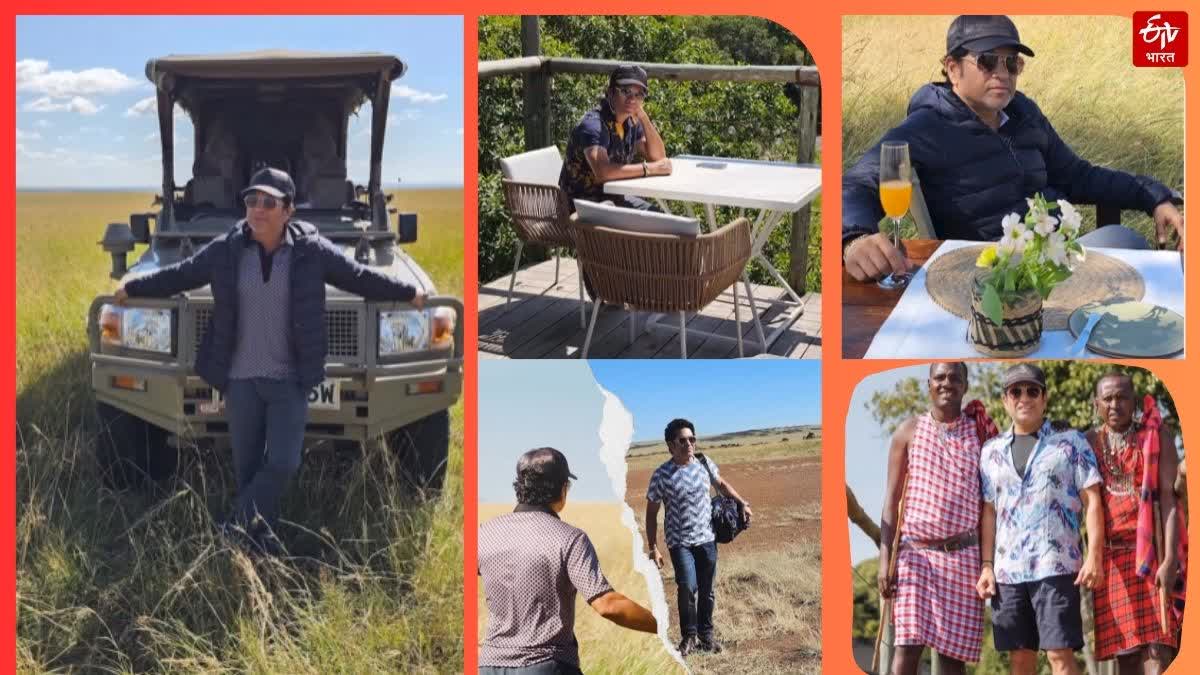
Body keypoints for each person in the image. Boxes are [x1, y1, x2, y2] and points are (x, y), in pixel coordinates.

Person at [115, 167, 425, 554]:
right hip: (241, 380)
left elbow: (358, 277)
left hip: (288, 380)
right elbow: (181, 274)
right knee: (247, 471)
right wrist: (133, 286)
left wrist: (407, 291)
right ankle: (261, 545)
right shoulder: (227, 249)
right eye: (251, 201)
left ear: (288, 210)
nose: (257, 209)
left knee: (282, 462)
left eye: (268, 202)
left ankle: (230, 531)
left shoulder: (311, 251)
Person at [842, 15, 1184, 282]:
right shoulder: (927, 128)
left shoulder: (1024, 114)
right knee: (1131, 258)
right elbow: (857, 184)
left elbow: (1078, 175)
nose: (1003, 73)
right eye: (989, 61)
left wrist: (1154, 196)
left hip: (1053, 259)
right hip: (992, 278)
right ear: (953, 68)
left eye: (1012, 63)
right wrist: (854, 238)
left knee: (1129, 245)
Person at [478, 448, 657, 674]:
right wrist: (662, 625)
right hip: (546, 666)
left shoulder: (484, 533)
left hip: (488, 666)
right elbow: (607, 605)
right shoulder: (569, 538)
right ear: (563, 489)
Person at [976, 364, 1104, 675]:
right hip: (1008, 574)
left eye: (1032, 390)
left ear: (1044, 398)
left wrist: (1094, 557)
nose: (1024, 397)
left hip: (1056, 568)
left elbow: (1093, 501)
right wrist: (987, 566)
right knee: (1020, 660)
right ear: (1005, 400)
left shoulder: (1071, 443)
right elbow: (989, 512)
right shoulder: (990, 452)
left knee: (1060, 657)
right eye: (1015, 391)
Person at [877, 362, 998, 675]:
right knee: (906, 648)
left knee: (951, 659)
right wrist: (884, 559)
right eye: (940, 378)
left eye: (954, 378)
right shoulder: (909, 430)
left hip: (963, 557)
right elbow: (890, 502)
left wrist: (988, 564)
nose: (947, 384)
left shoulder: (980, 432)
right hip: (915, 556)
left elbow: (989, 504)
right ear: (929, 384)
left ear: (965, 385)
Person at [1085, 373, 1186, 674]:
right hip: (1112, 564)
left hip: (1153, 558)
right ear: (1096, 404)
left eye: (1122, 397)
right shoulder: (1089, 442)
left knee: (1158, 657)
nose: (1115, 404)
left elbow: (1169, 502)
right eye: (1108, 398)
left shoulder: (1156, 437)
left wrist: (1169, 560)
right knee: (1127, 661)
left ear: (1134, 401)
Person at [645, 418, 752, 656]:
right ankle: (689, 637)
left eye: (691, 439)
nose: (688, 444)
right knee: (687, 587)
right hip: (679, 542)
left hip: (707, 538)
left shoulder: (704, 463)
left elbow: (721, 484)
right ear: (670, 445)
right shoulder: (661, 474)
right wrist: (653, 547)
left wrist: (741, 502)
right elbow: (651, 513)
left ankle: (706, 636)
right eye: (682, 440)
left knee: (707, 590)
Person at [559, 64, 671, 211]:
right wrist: (647, 168)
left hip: (613, 200)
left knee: (659, 216)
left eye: (639, 94)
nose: (632, 99)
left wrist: (643, 117)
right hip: (581, 208)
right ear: (611, 92)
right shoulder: (593, 125)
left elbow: (659, 157)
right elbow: (603, 172)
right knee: (650, 225)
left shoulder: (630, 122)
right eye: (626, 91)